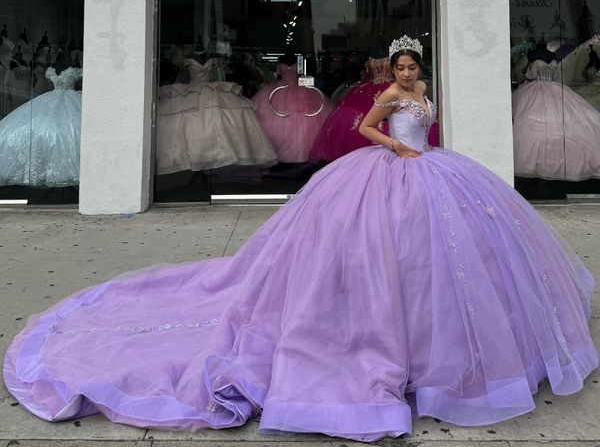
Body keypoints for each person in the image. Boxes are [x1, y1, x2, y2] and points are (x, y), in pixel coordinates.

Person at [3, 36, 597, 442]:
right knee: (372, 252)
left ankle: (445, 342)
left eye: (415, 68)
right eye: (404, 68)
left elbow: (427, 125)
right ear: (392, 72)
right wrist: (391, 145)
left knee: (437, 257)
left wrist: (422, 146)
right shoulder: (388, 97)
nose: (410, 75)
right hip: (389, 168)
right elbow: (367, 128)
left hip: (433, 169)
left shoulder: (421, 93)